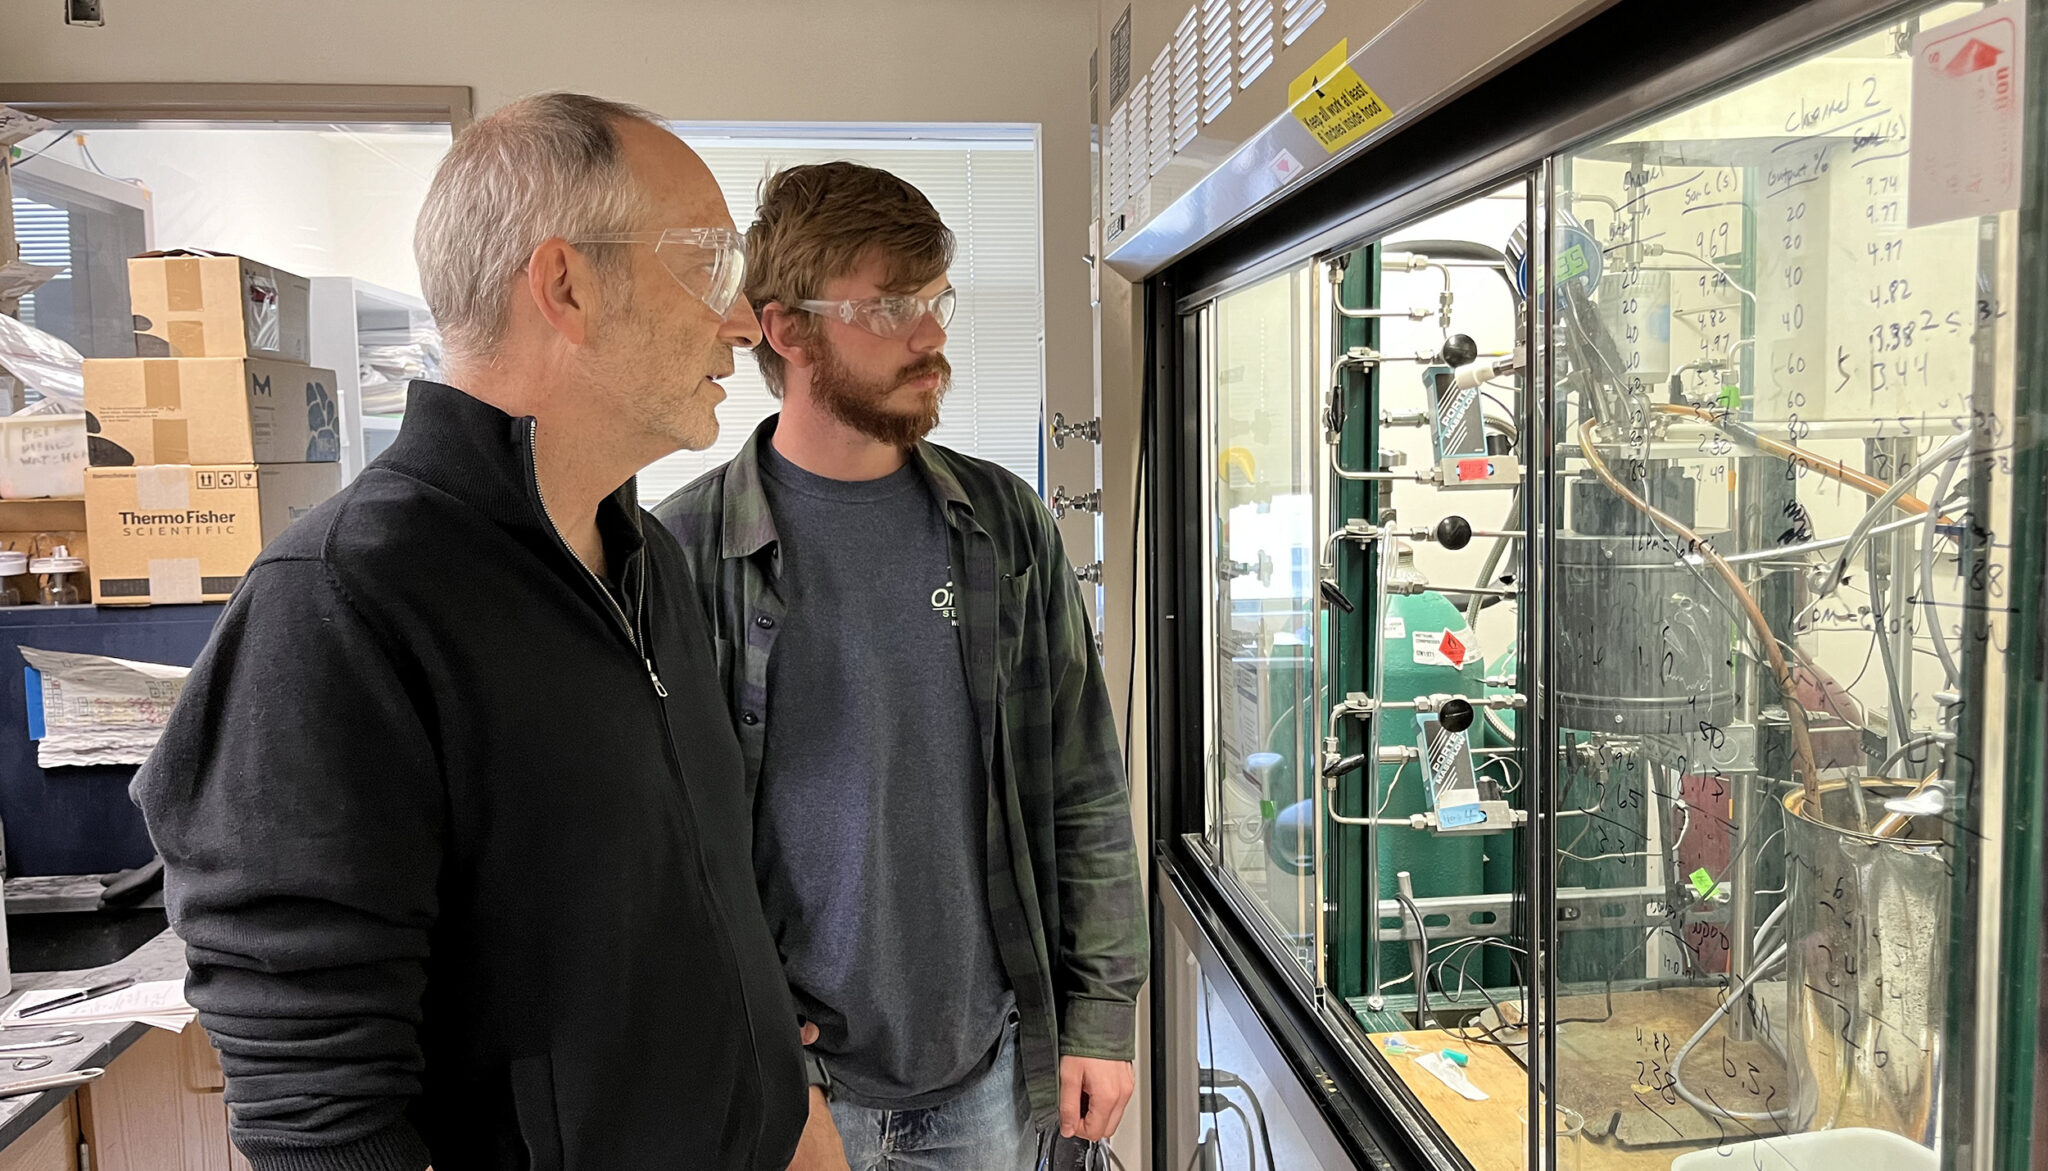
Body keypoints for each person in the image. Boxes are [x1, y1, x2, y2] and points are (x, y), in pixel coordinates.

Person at [132, 93, 809, 1171]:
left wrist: (794, 1116)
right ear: (565, 284)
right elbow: (321, 1116)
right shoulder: (340, 604)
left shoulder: (650, 562)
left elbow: (707, 913)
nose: (739, 321)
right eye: (706, 263)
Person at [656, 162, 1147, 1171]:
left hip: (984, 1072)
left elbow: (1083, 781)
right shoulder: (683, 553)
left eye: (933, 301)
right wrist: (740, 1043)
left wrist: (1099, 1012)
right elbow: (664, 851)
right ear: (786, 330)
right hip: (795, 1092)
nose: (930, 335)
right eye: (889, 306)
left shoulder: (1002, 523)